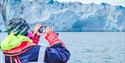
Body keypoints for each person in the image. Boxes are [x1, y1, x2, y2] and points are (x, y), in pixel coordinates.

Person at [0, 18, 70, 63]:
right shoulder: (39, 51)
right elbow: (62, 56)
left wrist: (35, 37)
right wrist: (51, 35)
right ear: (25, 30)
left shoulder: (5, 52)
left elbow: (24, 50)